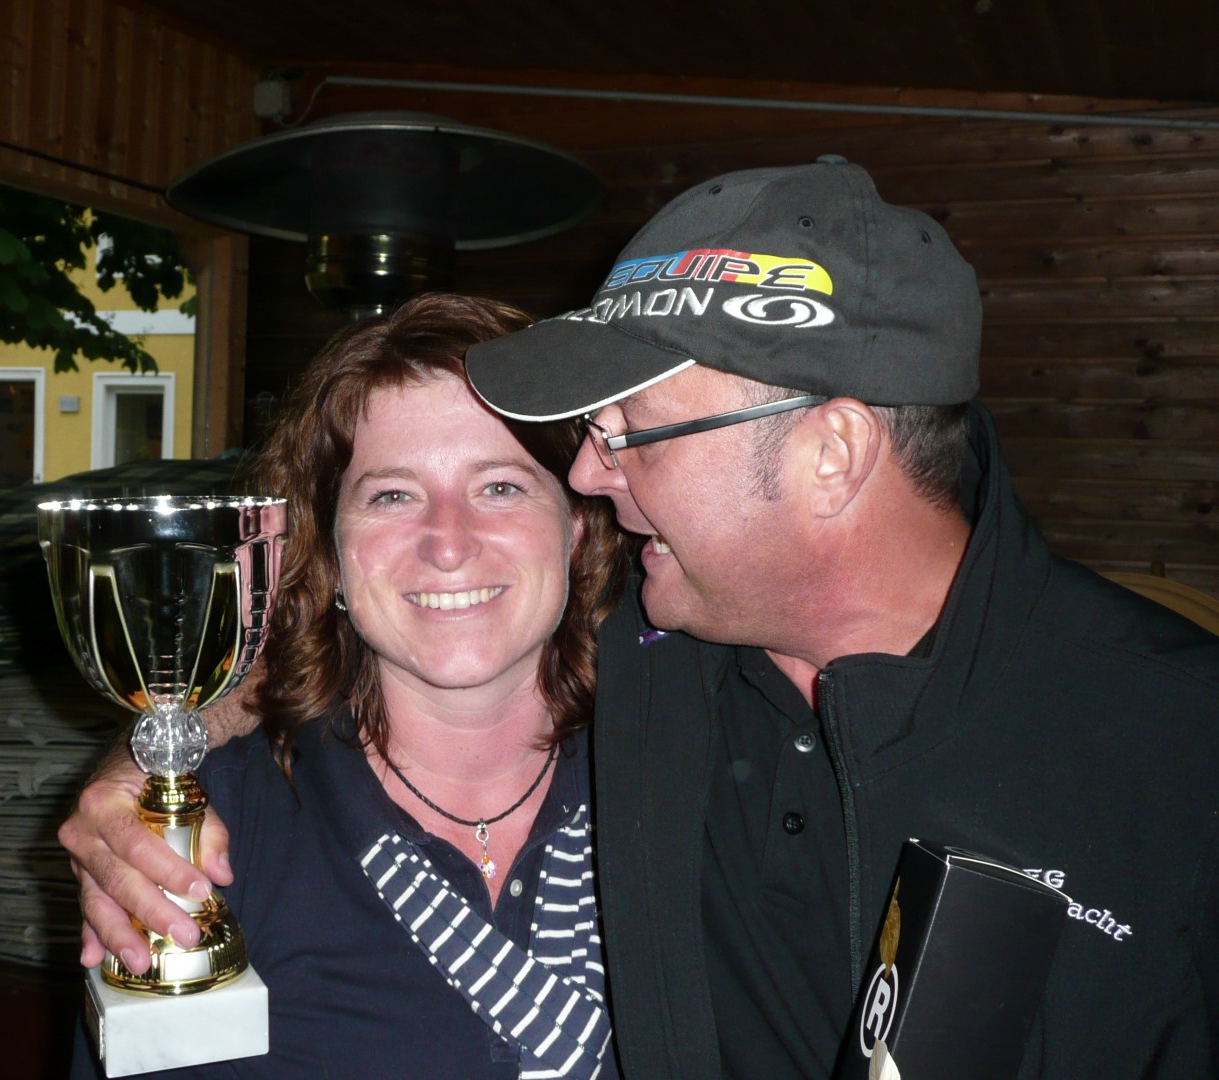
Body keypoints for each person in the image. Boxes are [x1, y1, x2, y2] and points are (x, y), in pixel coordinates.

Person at [461, 159, 1219, 1078]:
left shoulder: (1180, 746)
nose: (588, 473)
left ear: (833, 453)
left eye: (627, 433)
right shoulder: (628, 636)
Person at [64, 292, 628, 1079]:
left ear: (576, 526)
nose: (448, 543)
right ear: (328, 550)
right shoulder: (213, 832)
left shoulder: (684, 770)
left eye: (501, 486)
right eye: (392, 495)